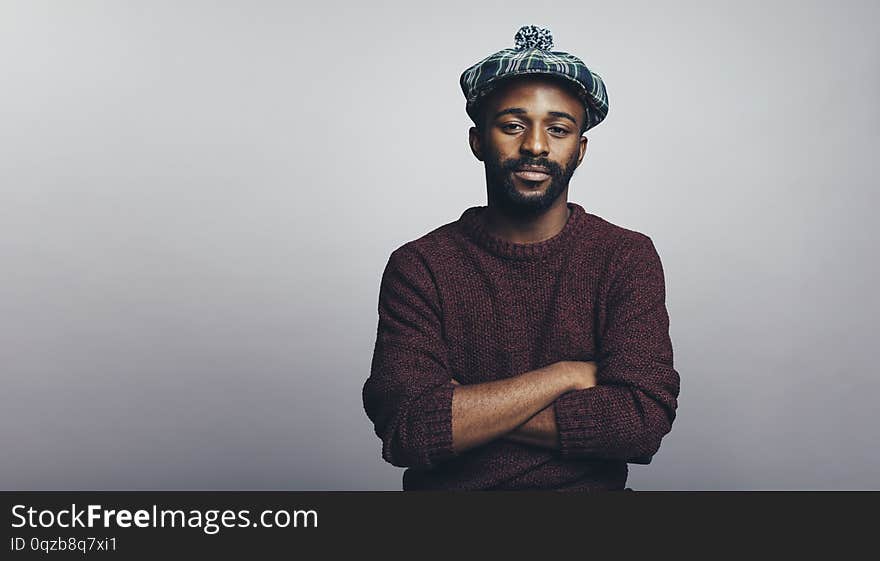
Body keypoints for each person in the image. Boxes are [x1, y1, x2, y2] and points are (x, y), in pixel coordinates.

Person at [362, 25, 680, 491]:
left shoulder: (625, 257)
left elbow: (641, 422)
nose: (535, 145)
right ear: (478, 142)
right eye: (512, 126)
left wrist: (465, 409)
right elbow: (409, 428)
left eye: (558, 129)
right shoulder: (421, 266)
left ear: (580, 149)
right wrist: (563, 376)